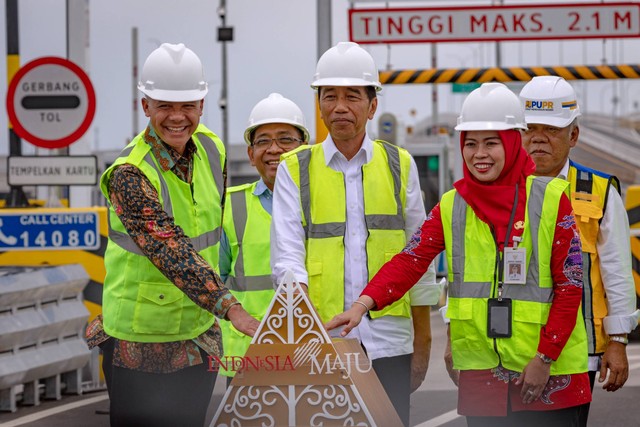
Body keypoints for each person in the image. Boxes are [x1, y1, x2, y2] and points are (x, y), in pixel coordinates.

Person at [326, 82, 592, 426]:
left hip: (547, 376)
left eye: (491, 143)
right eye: (470, 144)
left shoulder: (552, 199)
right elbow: (411, 260)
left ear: (513, 144)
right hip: (483, 378)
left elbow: (570, 287)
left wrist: (545, 357)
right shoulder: (452, 205)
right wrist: (362, 305)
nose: (479, 154)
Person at [85, 43, 259, 427]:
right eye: (164, 106)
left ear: (201, 103)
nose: (177, 117)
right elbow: (169, 248)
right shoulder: (129, 174)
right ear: (145, 106)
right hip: (140, 339)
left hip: (198, 334)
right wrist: (230, 307)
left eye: (187, 106)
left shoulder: (213, 149)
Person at [270, 41, 441, 427]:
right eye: (330, 96)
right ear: (319, 105)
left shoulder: (400, 164)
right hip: (323, 343)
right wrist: (305, 332)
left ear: (372, 104)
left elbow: (419, 259)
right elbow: (287, 258)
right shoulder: (294, 169)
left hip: (390, 342)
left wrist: (423, 341)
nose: (340, 106)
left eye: (352, 96)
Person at [519, 76, 640, 426]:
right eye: (530, 129)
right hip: (510, 350)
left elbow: (616, 272)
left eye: (551, 129)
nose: (538, 138)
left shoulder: (598, 192)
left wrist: (616, 341)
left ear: (574, 135)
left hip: (576, 352)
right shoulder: (500, 191)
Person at [218, 93, 309, 381]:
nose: (274, 149)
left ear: (304, 149)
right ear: (250, 154)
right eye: (263, 141)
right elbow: (215, 282)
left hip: (313, 350)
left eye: (285, 139)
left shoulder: (327, 202)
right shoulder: (230, 207)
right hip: (248, 355)